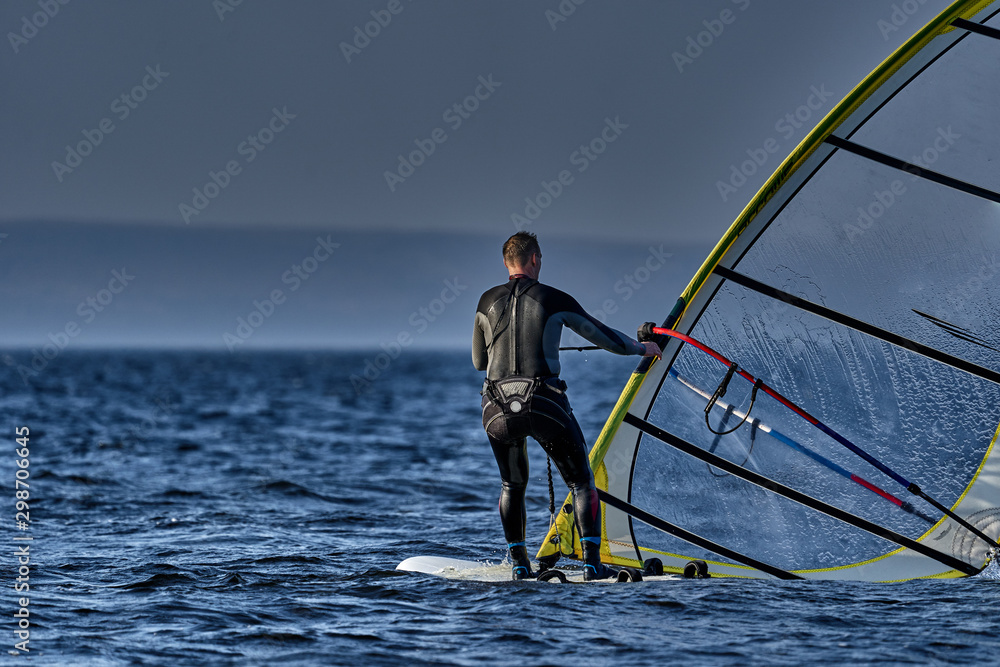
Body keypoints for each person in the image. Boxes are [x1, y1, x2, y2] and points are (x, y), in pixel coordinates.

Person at [472, 232, 661, 580]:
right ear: (534, 260)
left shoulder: (485, 301)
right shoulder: (554, 298)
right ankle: (592, 565)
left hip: (496, 409)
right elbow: (605, 337)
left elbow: (479, 362)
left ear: (505, 262)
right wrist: (642, 349)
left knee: (512, 486)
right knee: (581, 482)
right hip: (542, 403)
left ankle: (519, 566)